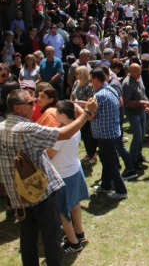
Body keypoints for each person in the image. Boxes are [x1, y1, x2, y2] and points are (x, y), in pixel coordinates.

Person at [0, 89, 96, 266]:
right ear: (17, 108)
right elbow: (65, 134)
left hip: (18, 195)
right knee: (51, 235)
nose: (34, 104)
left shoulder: (1, 128)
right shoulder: (27, 129)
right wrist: (87, 113)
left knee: (27, 236)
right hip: (41, 192)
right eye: (29, 103)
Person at [46, 101, 90, 254]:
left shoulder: (62, 134)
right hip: (74, 170)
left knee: (62, 212)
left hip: (62, 176)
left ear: (63, 115)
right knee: (74, 204)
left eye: (56, 113)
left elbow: (49, 154)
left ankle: (73, 242)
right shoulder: (75, 128)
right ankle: (79, 233)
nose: (55, 115)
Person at [89, 68, 128, 199]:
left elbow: (89, 116)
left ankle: (121, 190)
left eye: (91, 80)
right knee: (106, 160)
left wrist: (79, 108)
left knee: (110, 163)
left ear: (95, 79)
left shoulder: (99, 96)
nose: (90, 82)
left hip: (105, 135)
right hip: (113, 132)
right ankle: (105, 185)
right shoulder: (111, 89)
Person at [122, 63, 149, 170]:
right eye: (137, 73)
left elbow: (142, 93)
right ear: (131, 72)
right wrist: (141, 102)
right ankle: (132, 160)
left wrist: (146, 101)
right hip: (133, 113)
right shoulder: (127, 84)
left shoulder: (139, 78)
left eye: (140, 72)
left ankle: (139, 155)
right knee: (137, 136)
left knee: (142, 134)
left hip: (141, 111)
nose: (139, 74)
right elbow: (126, 103)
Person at [70, 66, 96, 166]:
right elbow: (72, 95)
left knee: (87, 135)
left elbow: (90, 102)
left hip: (85, 113)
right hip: (76, 112)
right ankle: (88, 154)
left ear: (83, 73)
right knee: (80, 134)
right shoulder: (76, 83)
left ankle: (92, 155)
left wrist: (80, 103)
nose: (75, 75)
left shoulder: (89, 86)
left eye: (77, 73)